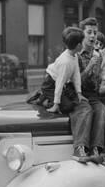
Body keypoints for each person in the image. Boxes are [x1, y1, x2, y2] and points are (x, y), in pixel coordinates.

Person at [30, 26, 93, 163]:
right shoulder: (65, 62)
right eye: (82, 42)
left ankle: (48, 99)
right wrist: (56, 104)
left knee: (72, 103)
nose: (83, 44)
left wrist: (79, 93)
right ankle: (43, 97)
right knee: (67, 107)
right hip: (50, 85)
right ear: (77, 45)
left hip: (59, 83)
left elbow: (76, 74)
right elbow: (59, 84)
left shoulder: (74, 56)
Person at [78, 17, 105, 166]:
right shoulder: (77, 54)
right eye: (89, 32)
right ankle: (81, 148)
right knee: (87, 111)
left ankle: (96, 149)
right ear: (82, 34)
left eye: (95, 33)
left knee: (102, 110)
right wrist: (90, 66)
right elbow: (77, 81)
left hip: (93, 94)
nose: (92, 36)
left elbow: (98, 82)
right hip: (78, 93)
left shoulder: (99, 55)